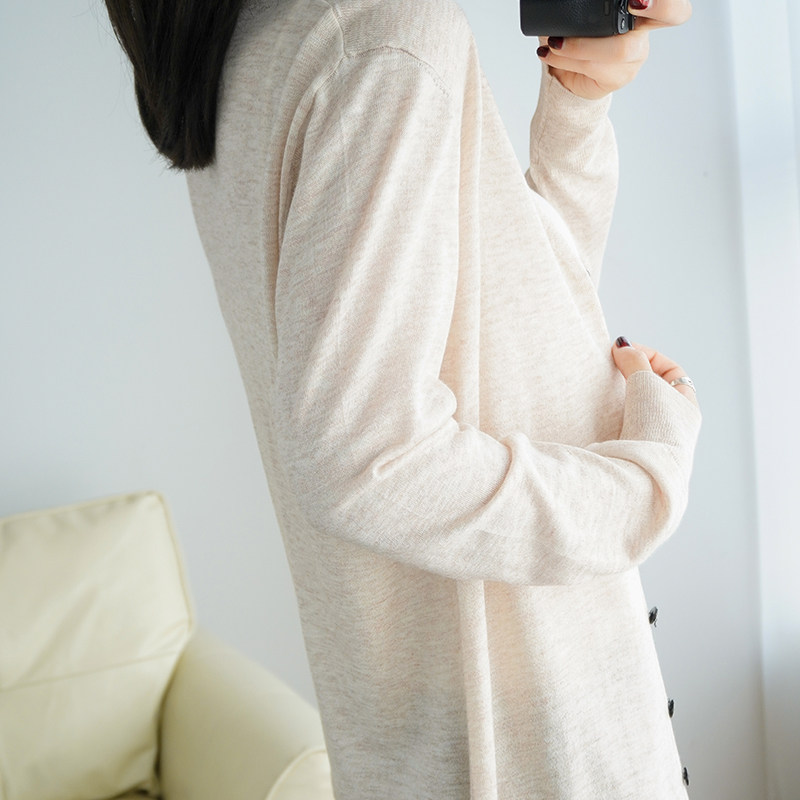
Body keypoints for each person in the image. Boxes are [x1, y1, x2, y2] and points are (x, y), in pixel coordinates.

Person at [104, 0, 699, 796]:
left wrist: (577, 108)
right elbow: (364, 461)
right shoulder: (382, 39)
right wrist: (644, 484)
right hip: (526, 727)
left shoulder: (259, 40)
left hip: (441, 715)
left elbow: (508, 318)